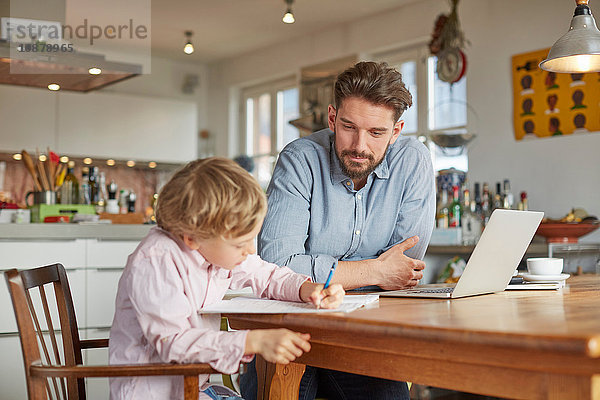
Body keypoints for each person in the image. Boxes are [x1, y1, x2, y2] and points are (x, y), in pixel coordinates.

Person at [241, 61, 435, 400]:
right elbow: (279, 264)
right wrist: (375, 269)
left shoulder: (413, 161)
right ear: (332, 118)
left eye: (376, 133)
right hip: (293, 325)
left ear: (396, 130)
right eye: (349, 127)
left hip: (365, 332)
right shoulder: (299, 160)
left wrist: (323, 268)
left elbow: (404, 267)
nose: (359, 145)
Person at [109, 157, 345, 400]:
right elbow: (174, 342)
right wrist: (252, 341)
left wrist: (305, 288)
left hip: (194, 386)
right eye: (240, 244)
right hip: (153, 393)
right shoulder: (155, 261)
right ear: (192, 237)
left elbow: (265, 274)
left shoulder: (214, 250)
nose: (250, 250)